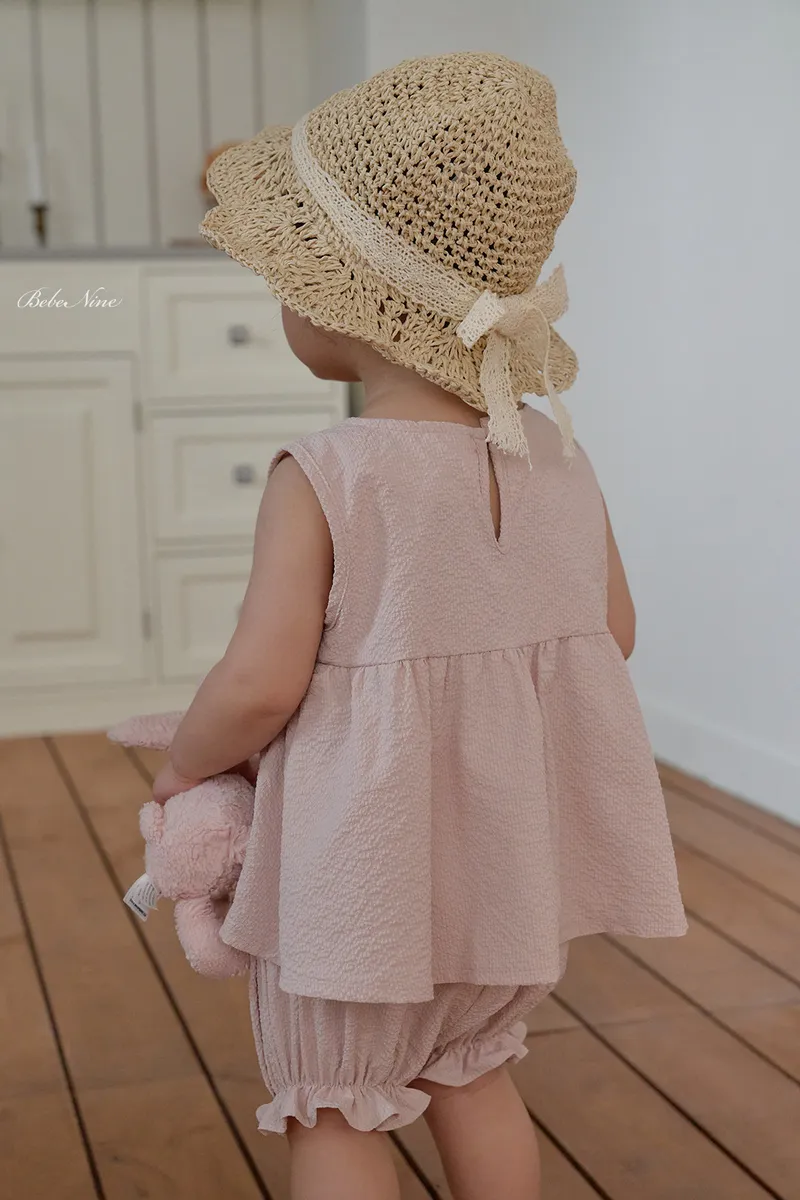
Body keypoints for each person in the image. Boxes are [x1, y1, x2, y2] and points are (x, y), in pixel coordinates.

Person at [151, 52, 687, 1200]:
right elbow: (613, 634)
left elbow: (258, 684)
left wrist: (184, 768)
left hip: (356, 882)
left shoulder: (330, 472)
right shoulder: (555, 455)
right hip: (502, 874)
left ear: (332, 296)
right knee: (474, 1073)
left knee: (335, 1104)